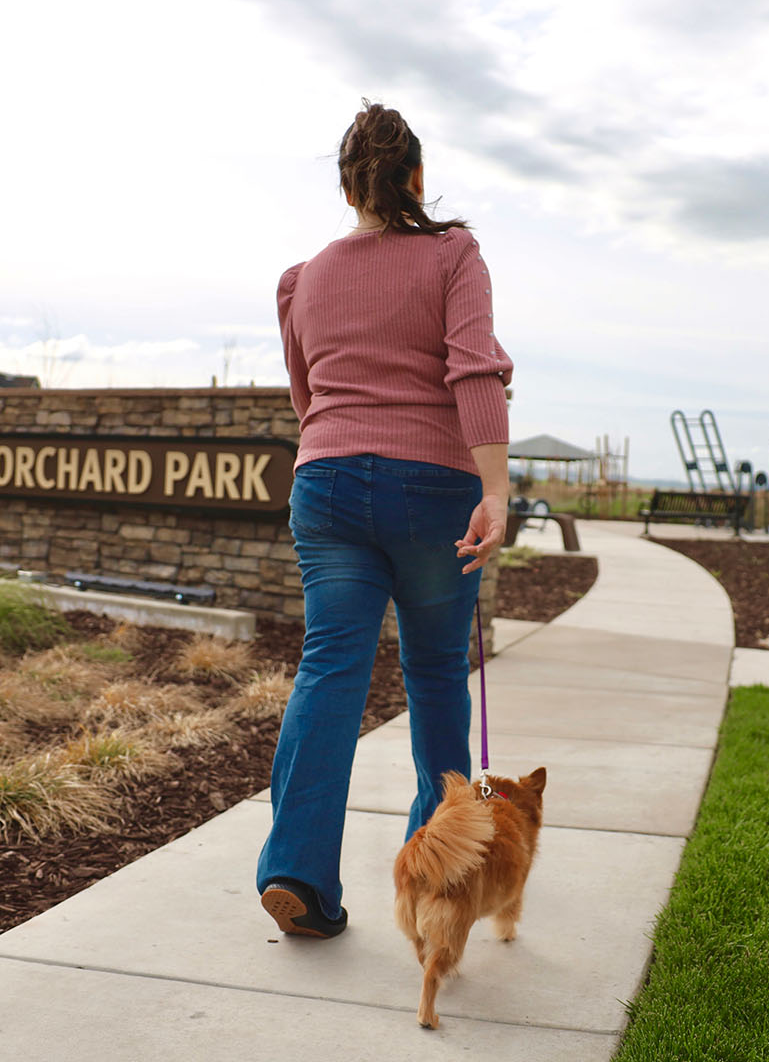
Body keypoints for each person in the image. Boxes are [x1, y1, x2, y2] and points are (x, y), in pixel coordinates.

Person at [255, 101, 514, 939]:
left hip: (326, 481)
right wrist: (497, 491)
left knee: (330, 665)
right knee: (437, 676)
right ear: (417, 178)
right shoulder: (453, 253)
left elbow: (307, 399)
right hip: (430, 488)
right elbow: (475, 372)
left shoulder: (304, 279)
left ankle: (297, 867)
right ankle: (437, 874)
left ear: (345, 184)